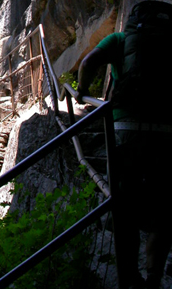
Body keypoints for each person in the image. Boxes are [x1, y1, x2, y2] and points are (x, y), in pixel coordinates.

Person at [77, 10, 172, 289]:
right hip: (166, 135)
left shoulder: (120, 39)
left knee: (125, 207)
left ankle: (130, 278)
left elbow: (88, 61)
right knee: (163, 210)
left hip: (125, 131)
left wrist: (81, 90)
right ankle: (154, 277)